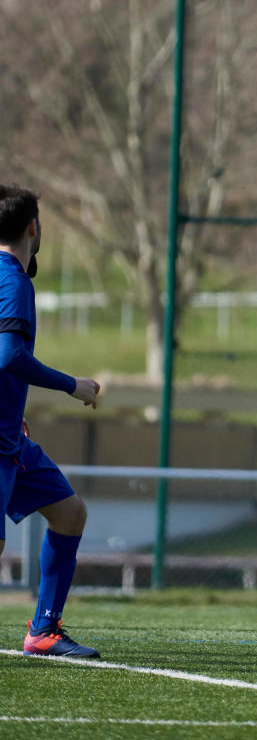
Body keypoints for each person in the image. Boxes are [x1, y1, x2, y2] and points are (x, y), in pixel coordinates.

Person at [0, 184, 101, 658]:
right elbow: (9, 356)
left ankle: (44, 629)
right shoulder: (13, 280)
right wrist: (71, 384)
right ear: (33, 228)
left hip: (10, 439)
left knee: (68, 511)